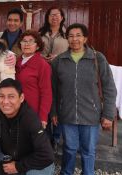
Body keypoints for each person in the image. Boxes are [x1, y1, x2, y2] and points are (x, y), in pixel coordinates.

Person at [51, 23, 117, 175]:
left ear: (85, 38)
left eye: (78, 35)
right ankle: (66, 172)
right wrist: (54, 111)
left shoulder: (97, 58)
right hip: (66, 115)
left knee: (88, 151)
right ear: (67, 38)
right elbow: (53, 90)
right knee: (69, 148)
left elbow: (109, 87)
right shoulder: (59, 61)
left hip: (90, 115)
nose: (75, 39)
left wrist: (108, 114)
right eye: (71, 36)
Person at [0, 78, 54, 175]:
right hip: (8, 160)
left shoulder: (30, 119)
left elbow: (47, 155)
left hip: (34, 162)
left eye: (11, 96)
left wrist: (18, 166)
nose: (6, 101)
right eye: (1, 96)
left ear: (21, 98)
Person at [38, 7, 68, 152]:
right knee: (44, 102)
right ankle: (45, 137)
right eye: (51, 15)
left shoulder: (68, 34)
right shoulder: (41, 33)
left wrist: (59, 57)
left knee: (57, 104)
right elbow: (34, 48)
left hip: (61, 73)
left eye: (57, 15)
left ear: (62, 17)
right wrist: (41, 57)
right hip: (43, 72)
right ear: (47, 17)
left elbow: (73, 50)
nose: (54, 17)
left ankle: (56, 137)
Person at [15, 30, 52, 129]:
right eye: (24, 41)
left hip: (32, 112)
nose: (27, 44)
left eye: (31, 41)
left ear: (38, 46)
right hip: (15, 110)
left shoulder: (42, 65)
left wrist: (43, 117)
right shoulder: (16, 61)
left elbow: (46, 93)